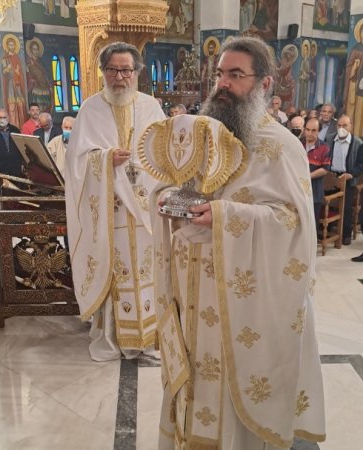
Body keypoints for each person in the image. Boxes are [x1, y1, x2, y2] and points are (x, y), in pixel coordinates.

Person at [146, 35, 325, 450]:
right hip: (193, 292)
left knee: (229, 388)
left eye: (236, 75)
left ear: (264, 84)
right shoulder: (203, 135)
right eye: (220, 74)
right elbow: (173, 182)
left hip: (241, 301)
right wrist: (166, 197)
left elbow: (295, 226)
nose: (223, 84)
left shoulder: (281, 146)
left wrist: (226, 216)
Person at [65, 42, 166, 362]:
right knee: (117, 271)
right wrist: (106, 160)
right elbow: (76, 161)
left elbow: (164, 155)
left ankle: (149, 337)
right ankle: (115, 336)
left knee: (147, 273)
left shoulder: (151, 108)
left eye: (126, 70)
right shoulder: (90, 109)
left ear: (137, 72)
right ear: (103, 72)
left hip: (145, 211)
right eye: (112, 70)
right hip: (111, 212)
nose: (119, 77)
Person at [327, 114, 363, 245]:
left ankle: (346, 234)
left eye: (345, 125)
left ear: (351, 126)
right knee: (328, 202)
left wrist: (351, 174)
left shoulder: (358, 143)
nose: (341, 128)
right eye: (339, 125)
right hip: (331, 176)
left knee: (346, 207)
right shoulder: (330, 139)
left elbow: (361, 165)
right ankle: (328, 228)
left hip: (347, 178)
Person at [301, 117, 331, 231]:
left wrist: (308, 176)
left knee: (312, 225)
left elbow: (325, 169)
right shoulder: (298, 144)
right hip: (298, 190)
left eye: (313, 130)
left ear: (319, 131)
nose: (310, 133)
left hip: (315, 192)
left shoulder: (325, 148)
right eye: (307, 129)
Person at [1, 34, 27, 130]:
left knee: (20, 104)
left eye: (13, 45)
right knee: (12, 105)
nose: (11, 47)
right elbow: (4, 72)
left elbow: (20, 72)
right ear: (7, 46)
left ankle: (22, 125)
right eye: (10, 45)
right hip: (11, 84)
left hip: (17, 84)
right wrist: (8, 69)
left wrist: (17, 72)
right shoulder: (5, 58)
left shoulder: (17, 57)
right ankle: (13, 125)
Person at [344, 20, 363, 138]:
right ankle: (355, 135)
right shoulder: (357, 48)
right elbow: (349, 66)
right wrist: (356, 66)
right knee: (357, 112)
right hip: (357, 88)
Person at [25, 38, 53, 113]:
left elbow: (45, 73)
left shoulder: (41, 61)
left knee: (48, 101)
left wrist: (48, 82)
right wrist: (32, 80)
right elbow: (28, 74)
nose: (36, 51)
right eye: (34, 49)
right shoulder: (29, 62)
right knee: (37, 101)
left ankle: (46, 115)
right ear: (31, 50)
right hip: (35, 85)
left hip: (44, 84)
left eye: (37, 49)